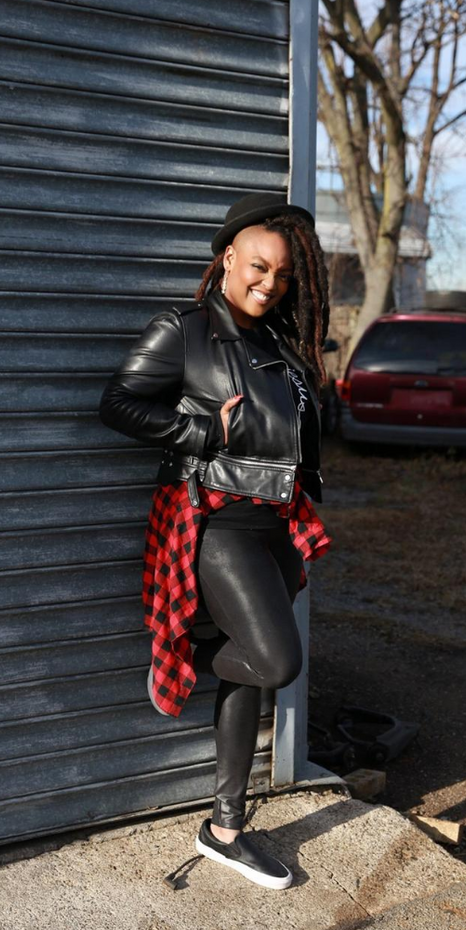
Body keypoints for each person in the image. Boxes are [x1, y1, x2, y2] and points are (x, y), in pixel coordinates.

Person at [99, 192, 333, 890]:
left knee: (251, 672)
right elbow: (117, 403)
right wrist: (201, 430)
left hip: (278, 525)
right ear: (228, 258)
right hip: (217, 521)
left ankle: (224, 829)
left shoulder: (281, 345)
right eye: (258, 266)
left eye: (283, 274)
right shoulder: (185, 330)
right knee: (275, 660)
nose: (270, 282)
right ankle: (185, 650)